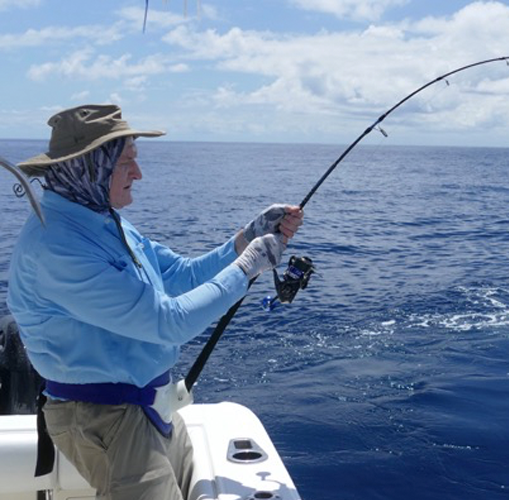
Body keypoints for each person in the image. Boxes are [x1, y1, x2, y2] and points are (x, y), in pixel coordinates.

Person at [6, 104, 304, 499]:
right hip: (103, 419)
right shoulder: (58, 248)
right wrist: (246, 269)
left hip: (147, 404)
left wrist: (245, 240)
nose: (139, 173)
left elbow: (180, 275)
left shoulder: (98, 217)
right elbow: (168, 322)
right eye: (126, 162)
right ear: (92, 165)